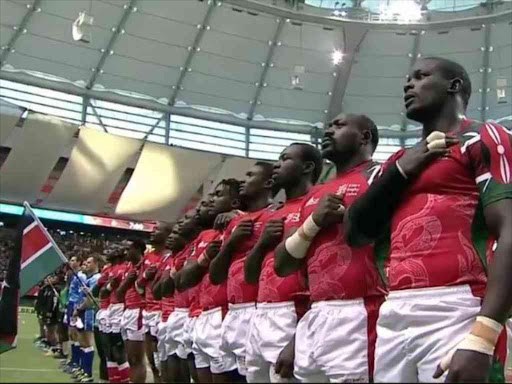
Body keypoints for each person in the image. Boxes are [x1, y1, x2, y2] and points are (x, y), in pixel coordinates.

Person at [344, 57, 512, 382]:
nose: (409, 84)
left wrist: (483, 335)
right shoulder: (396, 161)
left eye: (420, 76)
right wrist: (402, 169)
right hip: (394, 309)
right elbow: (355, 233)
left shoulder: (483, 136)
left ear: (455, 86)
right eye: (408, 78)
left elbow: (510, 229)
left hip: (458, 306)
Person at [273, 114, 384, 382]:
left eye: (339, 126)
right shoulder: (314, 194)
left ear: (364, 137)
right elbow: (283, 264)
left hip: (362, 310)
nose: (327, 131)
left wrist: (351, 216)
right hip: (317, 312)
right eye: (328, 125)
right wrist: (314, 222)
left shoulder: (381, 175)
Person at [244, 143, 322, 383]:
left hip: (293, 316)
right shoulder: (270, 215)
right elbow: (250, 276)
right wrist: (262, 243)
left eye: (285, 159)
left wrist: (297, 338)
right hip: (261, 313)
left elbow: (323, 275)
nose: (276, 165)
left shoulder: (317, 206)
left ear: (307, 167)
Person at [209, 162, 276, 380]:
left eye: (250, 175)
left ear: (267, 183)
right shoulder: (235, 222)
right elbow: (216, 276)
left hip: (258, 309)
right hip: (233, 311)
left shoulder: (275, 216)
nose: (244, 180)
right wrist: (231, 243)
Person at [177, 186, 243, 383]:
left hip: (224, 313)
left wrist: (237, 215)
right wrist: (205, 258)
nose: (211, 200)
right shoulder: (205, 237)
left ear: (235, 203)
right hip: (201, 314)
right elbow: (181, 281)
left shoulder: (242, 223)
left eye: (217, 195)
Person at [135, 223, 174, 383]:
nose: (153, 232)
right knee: (152, 359)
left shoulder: (171, 256)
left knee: (164, 360)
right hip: (148, 310)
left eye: (157, 230)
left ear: (168, 234)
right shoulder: (147, 258)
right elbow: (138, 287)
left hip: (163, 310)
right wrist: (144, 278)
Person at [116, 238, 147, 383]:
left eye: (128, 249)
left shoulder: (145, 265)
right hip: (127, 310)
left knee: (136, 358)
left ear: (138, 249)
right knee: (130, 358)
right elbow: (119, 294)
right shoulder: (128, 267)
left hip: (138, 310)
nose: (125, 252)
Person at [71, 254, 102, 383]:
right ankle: (83, 370)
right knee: (82, 341)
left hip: (88, 312)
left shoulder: (96, 278)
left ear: (96, 264)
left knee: (88, 342)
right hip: (82, 310)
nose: (86, 264)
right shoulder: (89, 278)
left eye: (89, 262)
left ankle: (88, 374)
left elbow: (92, 298)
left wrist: (79, 309)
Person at [62, 256, 87, 375]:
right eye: (70, 260)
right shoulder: (71, 275)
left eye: (73, 260)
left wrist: (77, 307)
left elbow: (83, 293)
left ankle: (76, 362)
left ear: (78, 262)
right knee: (71, 333)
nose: (70, 262)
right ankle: (72, 360)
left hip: (76, 305)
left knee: (76, 333)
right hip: (70, 304)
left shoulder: (81, 276)